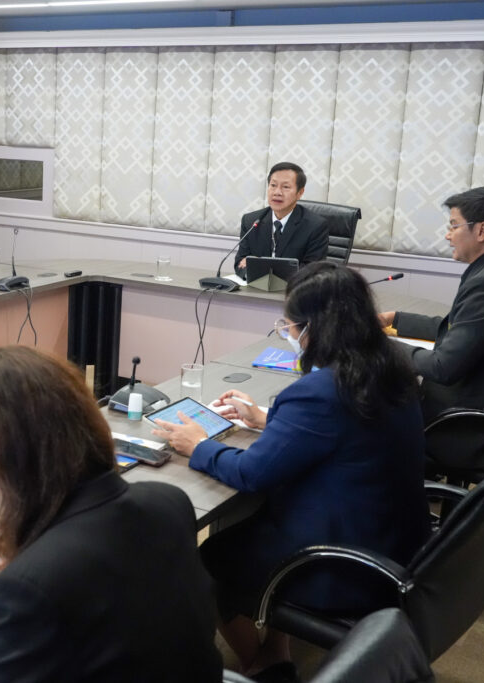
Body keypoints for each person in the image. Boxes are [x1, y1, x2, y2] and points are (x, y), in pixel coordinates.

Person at [153, 262, 429, 683]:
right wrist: (267, 419)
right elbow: (345, 431)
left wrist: (198, 445)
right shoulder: (388, 365)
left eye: (289, 325)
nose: (288, 332)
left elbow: (251, 473)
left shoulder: (321, 391)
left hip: (341, 559)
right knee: (256, 518)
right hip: (395, 542)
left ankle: (262, 666)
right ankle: (275, 646)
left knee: (207, 561)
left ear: (314, 328)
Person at [0, 346, 223, 683]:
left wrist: (32, 567)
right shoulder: (168, 501)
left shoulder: (28, 588)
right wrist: (32, 552)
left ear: (1, 458)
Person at [379, 186, 484, 432]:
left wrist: (378, 345)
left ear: (482, 231)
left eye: (454, 226)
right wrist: (395, 319)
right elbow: (458, 328)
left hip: (474, 422)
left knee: (375, 414)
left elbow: (442, 368)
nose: (448, 236)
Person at [234, 162, 329, 279]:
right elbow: (240, 263)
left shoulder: (315, 226)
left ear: (300, 193)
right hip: (256, 286)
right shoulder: (251, 221)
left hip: (294, 289)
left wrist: (261, 267)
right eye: (273, 185)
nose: (277, 192)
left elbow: (313, 271)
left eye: (286, 187)